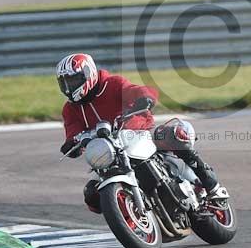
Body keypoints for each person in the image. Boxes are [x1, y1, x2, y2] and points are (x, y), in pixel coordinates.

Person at [56, 53, 227, 213]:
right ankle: (128, 214)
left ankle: (211, 184)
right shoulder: (70, 109)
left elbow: (136, 90)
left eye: (73, 80)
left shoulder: (112, 84)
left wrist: (145, 98)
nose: (69, 87)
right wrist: (72, 144)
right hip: (109, 153)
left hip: (138, 133)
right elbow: (73, 131)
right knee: (91, 196)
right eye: (64, 83)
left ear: (88, 73)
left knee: (173, 133)